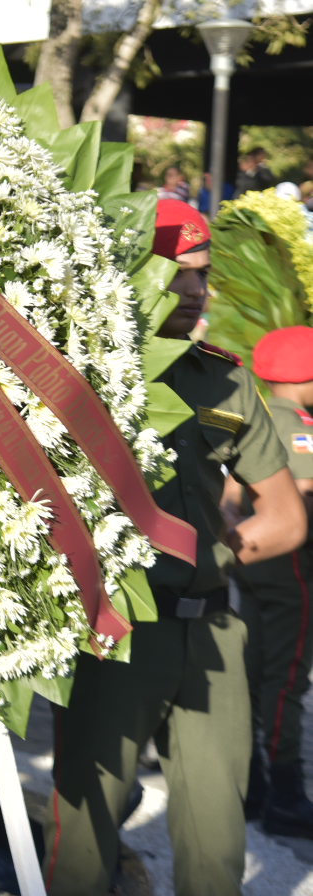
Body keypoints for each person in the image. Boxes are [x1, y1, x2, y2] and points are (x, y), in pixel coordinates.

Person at [44, 200, 307, 895]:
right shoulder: (85, 377)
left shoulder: (223, 377)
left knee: (217, 852)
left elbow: (284, 518)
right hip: (121, 632)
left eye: (203, 274)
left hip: (214, 631)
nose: (196, 290)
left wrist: (213, 558)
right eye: (177, 273)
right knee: (83, 838)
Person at [233, 325, 313, 836]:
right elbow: (302, 496)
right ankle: (286, 794)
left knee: (255, 674)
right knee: (286, 679)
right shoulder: (302, 426)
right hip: (294, 571)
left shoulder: (256, 413)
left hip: (254, 565)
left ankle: (251, 784)